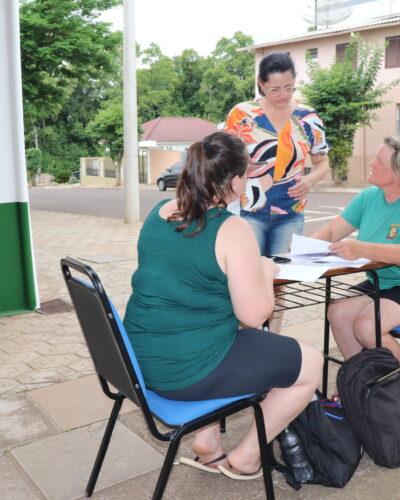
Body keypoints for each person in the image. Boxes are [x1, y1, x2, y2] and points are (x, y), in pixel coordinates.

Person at [124, 131, 322, 479]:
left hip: (137, 362)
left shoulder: (159, 213)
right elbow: (255, 315)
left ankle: (207, 438)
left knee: (223, 334)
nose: (248, 181)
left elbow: (190, 285)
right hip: (184, 372)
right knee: (311, 365)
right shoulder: (232, 228)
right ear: (233, 180)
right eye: (246, 174)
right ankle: (247, 457)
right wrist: (266, 269)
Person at [224, 52, 329, 332]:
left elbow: (323, 163)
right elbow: (224, 160)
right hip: (249, 212)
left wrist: (309, 181)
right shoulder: (242, 114)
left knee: (279, 283)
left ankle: (273, 342)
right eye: (274, 89)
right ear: (261, 84)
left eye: (289, 87)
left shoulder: (308, 117)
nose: (283, 95)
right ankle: (248, 342)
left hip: (290, 214)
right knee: (247, 281)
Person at [310, 136, 400, 360]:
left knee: (368, 327)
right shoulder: (369, 197)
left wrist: (363, 249)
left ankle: (392, 389)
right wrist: (309, 245)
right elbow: (332, 231)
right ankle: (361, 384)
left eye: (378, 160)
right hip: (380, 282)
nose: (371, 163)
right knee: (338, 310)